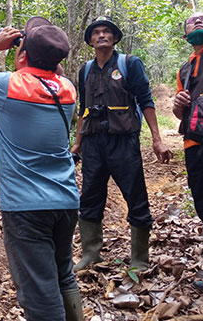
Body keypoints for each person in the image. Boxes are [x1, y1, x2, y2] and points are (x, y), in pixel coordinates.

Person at [0, 17, 84, 321]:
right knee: (63, 274)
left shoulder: (10, 85)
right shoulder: (68, 90)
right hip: (66, 200)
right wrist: (39, 53)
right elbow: (55, 73)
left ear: (23, 54)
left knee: (39, 290)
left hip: (27, 208)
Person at [71, 16, 172, 272]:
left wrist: (157, 140)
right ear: (90, 40)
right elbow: (84, 109)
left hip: (124, 142)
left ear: (115, 38)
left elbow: (146, 101)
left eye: (107, 32)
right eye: (96, 33)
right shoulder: (85, 70)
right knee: (90, 196)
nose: (101, 35)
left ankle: (139, 258)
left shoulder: (130, 64)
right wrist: (78, 143)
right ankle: (91, 253)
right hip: (94, 144)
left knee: (135, 195)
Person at [173, 12, 203, 292]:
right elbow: (180, 113)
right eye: (192, 21)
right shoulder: (185, 69)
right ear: (185, 34)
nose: (198, 22)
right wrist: (179, 104)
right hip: (194, 145)